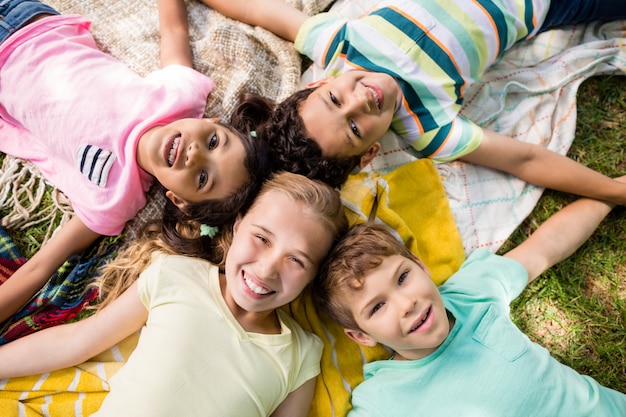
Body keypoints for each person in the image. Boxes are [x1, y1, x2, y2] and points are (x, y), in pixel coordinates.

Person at [0, 0, 273, 323]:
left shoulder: (113, 200)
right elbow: (174, 29)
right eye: (214, 142)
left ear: (179, 201)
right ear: (212, 122)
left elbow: (41, 266)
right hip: (31, 22)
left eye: (202, 178)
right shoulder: (180, 98)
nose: (195, 154)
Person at [0, 171, 349, 416]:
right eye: (262, 238)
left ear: (313, 275)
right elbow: (78, 341)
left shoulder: (301, 355)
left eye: (296, 260)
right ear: (238, 226)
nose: (268, 268)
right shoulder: (177, 275)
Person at [199, 0, 626, 192]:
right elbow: (525, 159)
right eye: (354, 128)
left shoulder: (340, 45)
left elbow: (257, 10)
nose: (359, 102)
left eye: (335, 100)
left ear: (318, 83)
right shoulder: (430, 128)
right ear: (369, 154)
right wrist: (611, 190)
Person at [311, 187, 626, 415]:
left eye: (403, 277)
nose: (406, 304)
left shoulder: (471, 293)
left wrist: (612, 192)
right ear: (362, 336)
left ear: (421, 266)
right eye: (377, 307)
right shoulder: (382, 401)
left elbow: (546, 246)